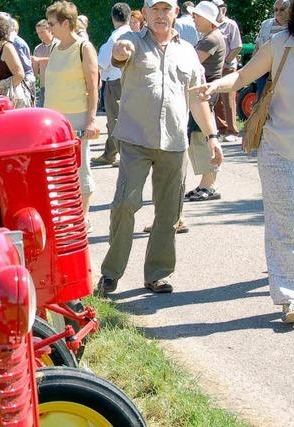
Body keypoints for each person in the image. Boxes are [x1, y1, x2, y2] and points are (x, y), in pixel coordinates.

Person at [193, 0, 294, 323]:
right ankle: (290, 299)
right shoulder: (280, 44)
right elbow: (243, 76)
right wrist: (215, 85)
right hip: (280, 146)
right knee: (287, 223)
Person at [96, 0, 223, 296]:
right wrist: (119, 53)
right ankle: (111, 274)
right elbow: (118, 55)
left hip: (174, 142)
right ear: (145, 12)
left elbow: (197, 99)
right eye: (155, 9)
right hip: (135, 141)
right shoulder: (131, 41)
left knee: (169, 212)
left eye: (167, 9)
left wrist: (212, 136)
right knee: (125, 204)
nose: (161, 15)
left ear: (176, 13)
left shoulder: (188, 52)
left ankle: (157, 274)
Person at [45, 0, 99, 229]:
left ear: (66, 23)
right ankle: (65, 213)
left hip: (77, 116)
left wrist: (92, 120)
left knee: (80, 166)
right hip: (53, 118)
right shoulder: (54, 47)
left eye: (52, 23)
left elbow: (93, 85)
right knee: (56, 168)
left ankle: (82, 216)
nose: (49, 28)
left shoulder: (83, 48)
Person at [183, 1, 227, 202]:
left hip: (204, 93)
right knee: (199, 136)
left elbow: (190, 63)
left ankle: (209, 185)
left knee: (203, 137)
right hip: (203, 92)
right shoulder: (210, 37)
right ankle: (205, 183)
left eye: (197, 16)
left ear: (209, 21)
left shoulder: (210, 39)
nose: (194, 19)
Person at [92, 2, 132, 167]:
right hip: (129, 80)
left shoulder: (114, 38)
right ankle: (110, 153)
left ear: (113, 17)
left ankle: (124, 156)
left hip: (115, 82)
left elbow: (102, 64)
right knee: (124, 118)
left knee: (115, 119)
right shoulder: (133, 34)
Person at [211, 0, 242, 142]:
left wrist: (226, 62)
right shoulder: (212, 24)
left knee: (228, 99)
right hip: (214, 67)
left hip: (228, 67)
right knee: (216, 99)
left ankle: (233, 131)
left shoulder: (231, 24)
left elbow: (237, 47)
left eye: (216, 8)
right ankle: (222, 129)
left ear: (223, 10)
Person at [254, 0, 290, 98]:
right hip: (264, 69)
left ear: (289, 10)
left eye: (282, 9)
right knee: (261, 99)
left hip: (285, 70)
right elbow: (257, 46)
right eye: (276, 10)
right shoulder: (266, 24)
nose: (278, 12)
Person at [32, 20, 58, 107]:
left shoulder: (59, 44)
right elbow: (35, 70)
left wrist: (39, 59)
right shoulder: (38, 49)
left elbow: (58, 60)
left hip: (58, 84)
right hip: (44, 86)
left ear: (49, 30)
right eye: (38, 33)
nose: (40, 35)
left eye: (42, 32)